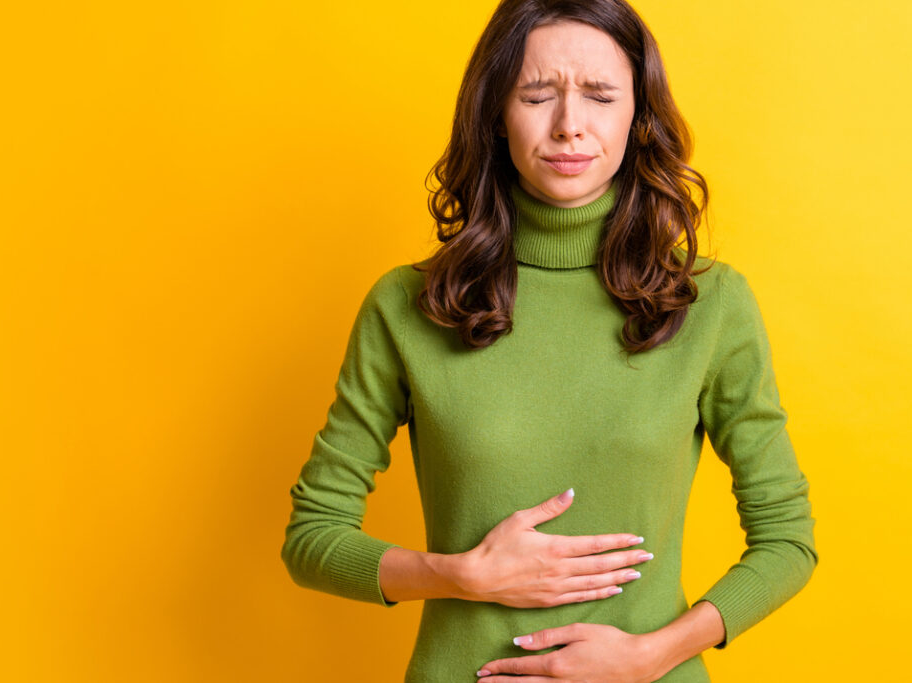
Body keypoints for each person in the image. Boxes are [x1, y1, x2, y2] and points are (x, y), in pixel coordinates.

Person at [280, 0, 818, 680]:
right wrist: (460, 574)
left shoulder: (711, 305)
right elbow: (313, 537)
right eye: (537, 95)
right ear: (496, 115)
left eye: (600, 95)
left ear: (638, 117)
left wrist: (647, 656)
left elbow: (788, 540)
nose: (569, 125)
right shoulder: (409, 305)